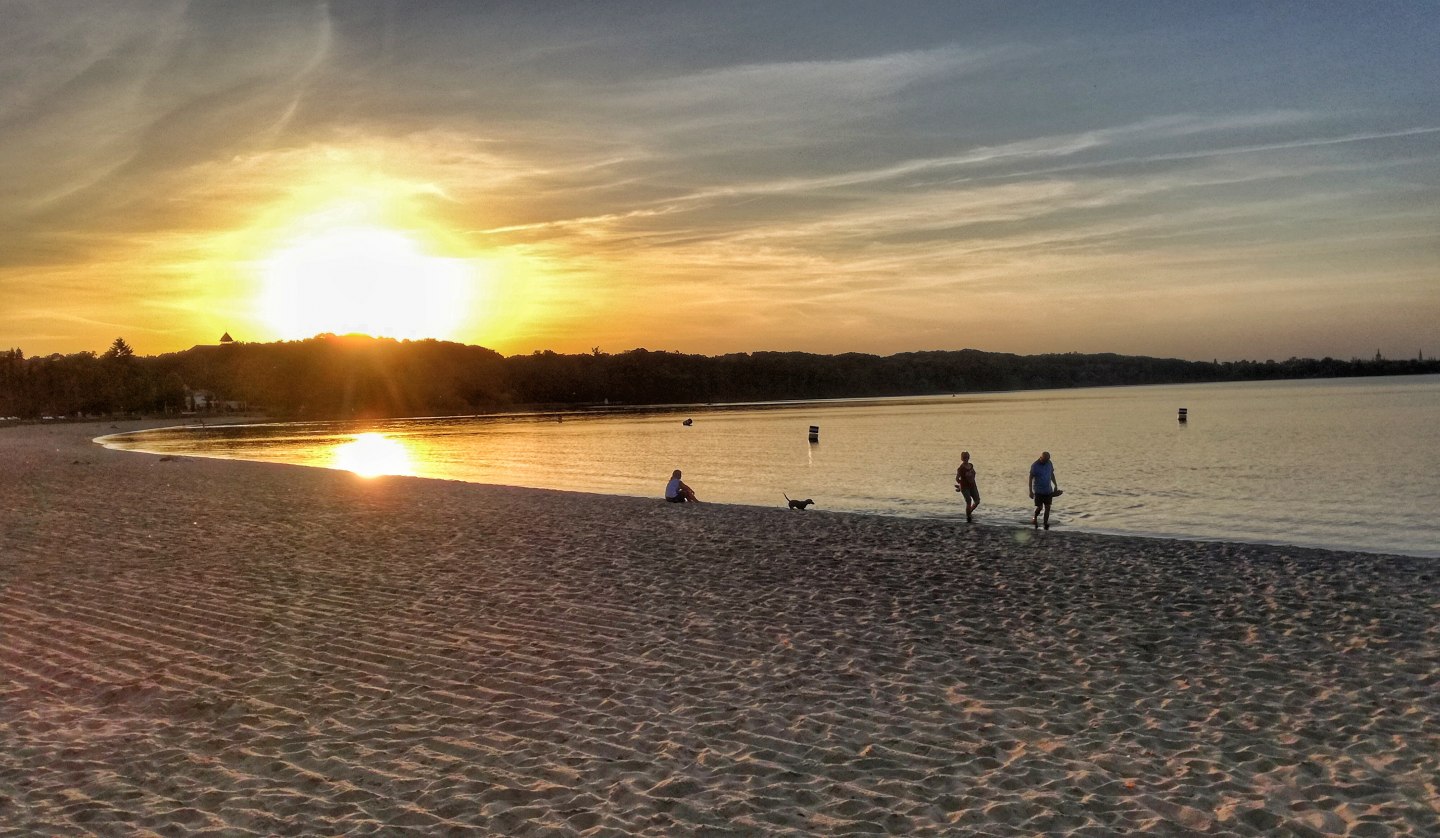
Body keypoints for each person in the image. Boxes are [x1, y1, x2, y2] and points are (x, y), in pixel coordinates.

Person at [1028, 451, 1060, 529]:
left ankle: (1045, 523)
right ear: (1041, 457)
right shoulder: (1035, 466)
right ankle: (1035, 517)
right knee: (1040, 507)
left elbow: (1052, 474)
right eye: (1045, 460)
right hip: (1038, 490)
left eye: (1047, 460)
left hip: (1048, 490)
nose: (1046, 461)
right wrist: (1030, 491)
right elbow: (1030, 478)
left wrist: (1055, 485)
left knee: (1048, 507)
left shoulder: (1049, 463)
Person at [955, 451, 980, 522]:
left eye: (967, 457)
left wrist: (972, 477)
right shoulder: (960, 469)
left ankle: (969, 512)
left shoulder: (971, 465)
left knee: (977, 501)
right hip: (965, 487)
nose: (966, 458)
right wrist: (961, 484)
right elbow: (957, 479)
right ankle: (968, 517)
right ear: (962, 458)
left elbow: (974, 474)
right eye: (964, 457)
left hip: (973, 485)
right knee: (969, 501)